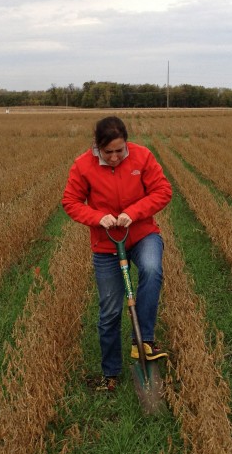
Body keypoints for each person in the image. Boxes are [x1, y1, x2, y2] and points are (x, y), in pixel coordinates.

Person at [62, 116, 173, 391]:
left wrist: (132, 213)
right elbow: (71, 201)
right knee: (109, 311)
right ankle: (110, 374)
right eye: (107, 152)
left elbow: (163, 191)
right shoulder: (82, 166)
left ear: (126, 144)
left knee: (150, 268)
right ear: (97, 147)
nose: (114, 157)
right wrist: (98, 217)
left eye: (119, 151)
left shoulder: (142, 157)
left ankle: (143, 342)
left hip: (143, 233)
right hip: (106, 243)